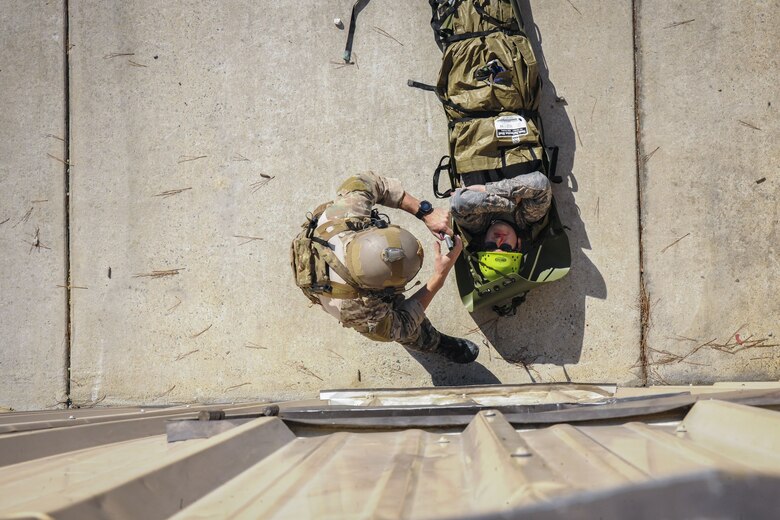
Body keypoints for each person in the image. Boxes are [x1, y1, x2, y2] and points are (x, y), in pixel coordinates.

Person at [292, 171, 479, 363]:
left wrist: (425, 213)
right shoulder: (358, 308)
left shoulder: (345, 214)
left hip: (322, 245)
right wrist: (439, 276)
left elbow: (369, 182)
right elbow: (398, 327)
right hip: (327, 285)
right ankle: (435, 342)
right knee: (410, 330)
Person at [449, 171, 552, 280]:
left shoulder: (476, 225)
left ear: (483, 243)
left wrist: (488, 191)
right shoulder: (528, 218)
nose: (498, 240)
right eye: (505, 247)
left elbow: (458, 203)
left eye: (491, 246)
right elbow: (540, 183)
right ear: (519, 245)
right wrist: (509, 203)